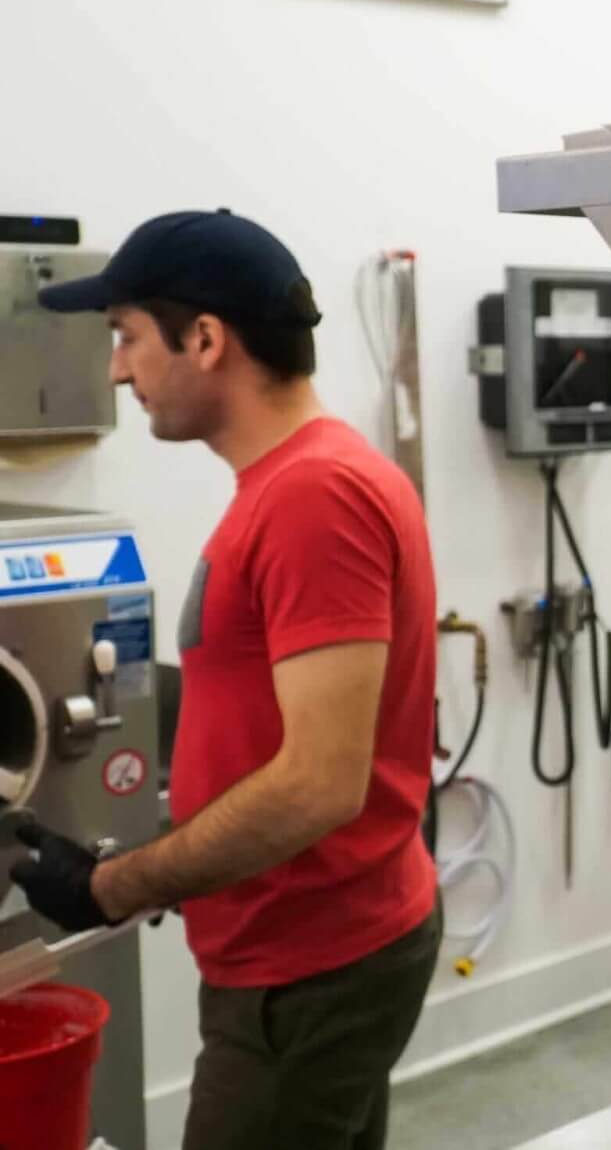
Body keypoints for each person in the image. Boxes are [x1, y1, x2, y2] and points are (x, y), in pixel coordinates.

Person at [7, 210, 441, 1150]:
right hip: (312, 946)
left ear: (205, 340)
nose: (116, 371)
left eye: (126, 336)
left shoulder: (313, 497)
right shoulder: (299, 482)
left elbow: (320, 782)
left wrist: (116, 884)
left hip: (308, 967)